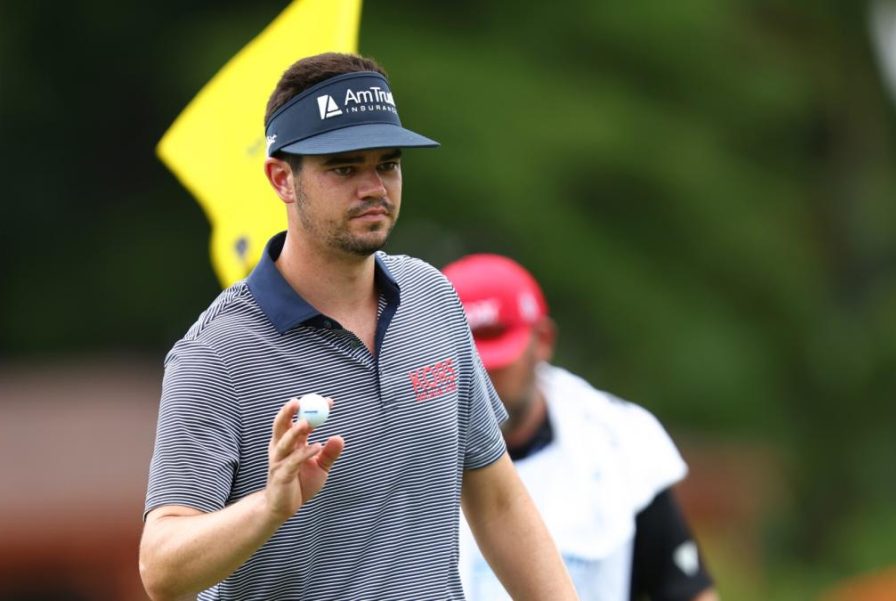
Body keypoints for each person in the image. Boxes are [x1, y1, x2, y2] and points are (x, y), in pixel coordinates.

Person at [139, 53, 577, 601]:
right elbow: (160, 567)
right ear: (282, 179)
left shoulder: (433, 299)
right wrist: (267, 508)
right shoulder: (217, 354)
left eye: (387, 164)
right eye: (345, 168)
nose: (374, 187)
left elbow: (496, 499)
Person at [443, 253, 720, 601]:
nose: (479, 380)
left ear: (543, 340)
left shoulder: (621, 445)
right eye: (463, 360)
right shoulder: (397, 449)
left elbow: (686, 592)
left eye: (496, 359)